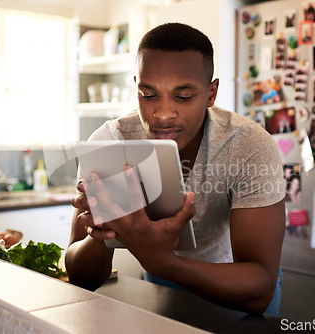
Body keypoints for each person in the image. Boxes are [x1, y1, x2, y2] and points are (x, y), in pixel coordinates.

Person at [65, 23, 286, 315]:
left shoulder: (248, 146)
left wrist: (162, 262)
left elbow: (260, 288)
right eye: (148, 94)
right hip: (162, 289)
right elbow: (80, 277)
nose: (163, 114)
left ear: (211, 93)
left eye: (182, 97)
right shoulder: (110, 143)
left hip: (237, 291)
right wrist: (103, 229)